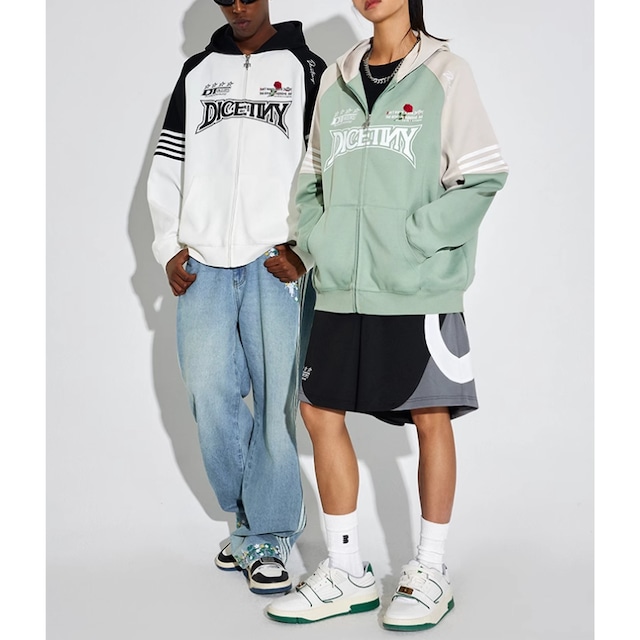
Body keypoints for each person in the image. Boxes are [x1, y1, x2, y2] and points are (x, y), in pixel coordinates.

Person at [266, 0, 508, 630]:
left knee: (431, 414)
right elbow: (311, 178)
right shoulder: (337, 77)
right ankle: (346, 571)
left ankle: (429, 570)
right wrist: (318, 241)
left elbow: (483, 176)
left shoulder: (445, 72)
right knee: (319, 411)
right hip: (340, 284)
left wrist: (414, 239)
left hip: (415, 286)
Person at [147, 0, 326, 596]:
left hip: (275, 260)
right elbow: (168, 165)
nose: (239, 8)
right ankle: (253, 519)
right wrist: (168, 246)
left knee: (276, 399)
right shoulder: (198, 72)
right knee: (208, 389)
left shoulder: (308, 69)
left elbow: (325, 167)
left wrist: (305, 248)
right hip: (202, 261)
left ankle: (267, 532)